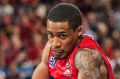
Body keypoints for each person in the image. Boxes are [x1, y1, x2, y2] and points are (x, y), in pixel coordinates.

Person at [32, 3, 114, 79]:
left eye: (62, 35)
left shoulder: (86, 56)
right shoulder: (50, 47)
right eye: (51, 35)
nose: (55, 44)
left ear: (79, 31)